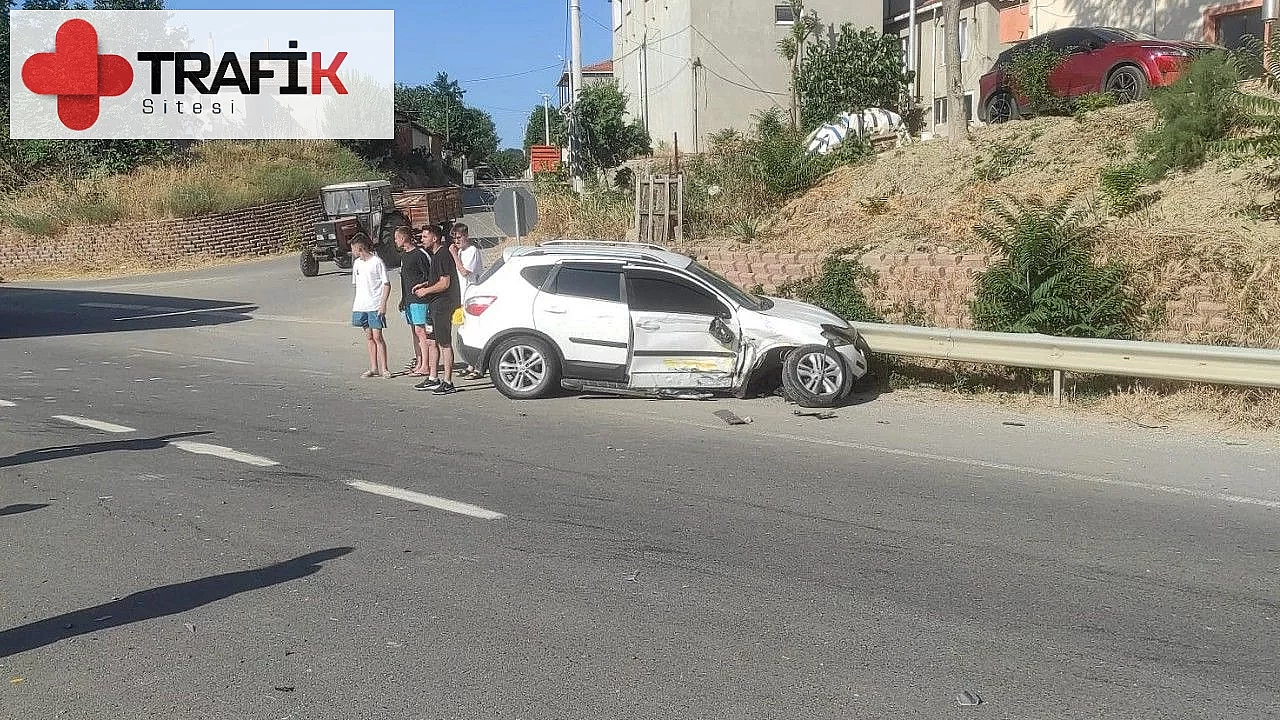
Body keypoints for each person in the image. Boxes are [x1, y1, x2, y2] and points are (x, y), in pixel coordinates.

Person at [410, 224, 461, 395]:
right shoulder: (435, 255)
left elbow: (445, 283)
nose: (421, 239)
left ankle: (448, 381)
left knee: (444, 343)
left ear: (435, 238)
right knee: (431, 341)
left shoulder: (443, 255)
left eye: (425, 236)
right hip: (433, 305)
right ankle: (433, 378)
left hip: (443, 305)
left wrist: (426, 291)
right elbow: (437, 279)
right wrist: (424, 284)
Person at [349, 234, 391, 379]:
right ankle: (374, 367)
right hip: (361, 306)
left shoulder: (377, 262)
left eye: (353, 248)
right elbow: (357, 285)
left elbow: (386, 284)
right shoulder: (357, 264)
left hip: (375, 305)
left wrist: (383, 304)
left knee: (377, 336)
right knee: (369, 337)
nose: (352, 252)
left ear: (359, 248)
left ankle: (384, 368)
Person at [394, 226, 434, 378]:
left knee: (421, 331)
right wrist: (403, 299)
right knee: (414, 332)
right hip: (409, 301)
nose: (395, 241)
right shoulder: (404, 256)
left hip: (421, 299)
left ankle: (426, 365)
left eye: (396, 238)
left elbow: (430, 275)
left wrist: (424, 288)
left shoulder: (420, 254)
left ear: (403, 238)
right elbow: (404, 280)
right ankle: (419, 362)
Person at [449, 222, 485, 380]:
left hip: (473, 297)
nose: (457, 241)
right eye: (454, 239)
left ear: (466, 236)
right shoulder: (462, 252)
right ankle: (470, 364)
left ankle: (479, 366)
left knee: (477, 333)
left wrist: (454, 255)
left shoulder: (472, 251)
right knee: (467, 332)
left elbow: (464, 272)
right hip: (464, 297)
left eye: (459, 238)